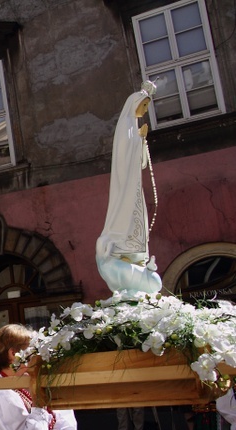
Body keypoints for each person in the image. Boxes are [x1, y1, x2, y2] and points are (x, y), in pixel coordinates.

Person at [95, 79, 162, 295]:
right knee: (125, 210)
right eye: (143, 106)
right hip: (125, 182)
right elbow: (125, 155)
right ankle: (124, 248)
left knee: (136, 211)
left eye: (146, 107)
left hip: (132, 182)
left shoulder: (133, 126)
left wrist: (141, 141)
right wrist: (138, 140)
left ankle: (134, 253)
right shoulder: (126, 125)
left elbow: (140, 161)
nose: (144, 111)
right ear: (134, 105)